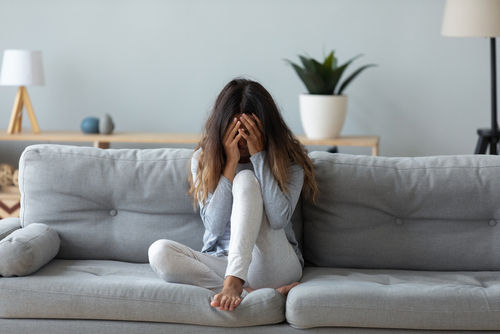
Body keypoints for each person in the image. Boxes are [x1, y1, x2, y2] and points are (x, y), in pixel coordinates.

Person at [148, 78, 318, 312]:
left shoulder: (289, 162)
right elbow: (215, 227)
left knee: (246, 179)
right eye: (234, 132)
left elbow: (279, 219)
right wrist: (229, 165)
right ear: (222, 129)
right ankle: (244, 290)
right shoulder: (204, 159)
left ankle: (235, 283)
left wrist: (259, 158)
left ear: (265, 130)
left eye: (248, 132)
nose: (241, 141)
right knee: (159, 252)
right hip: (222, 262)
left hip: (273, 265)